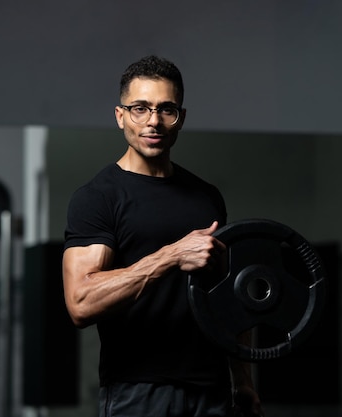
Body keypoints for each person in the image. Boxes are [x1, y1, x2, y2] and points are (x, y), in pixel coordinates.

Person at [62, 55, 263, 417]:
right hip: (138, 391)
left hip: (211, 390)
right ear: (120, 115)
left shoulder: (206, 197)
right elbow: (80, 302)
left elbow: (225, 297)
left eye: (166, 109)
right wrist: (170, 256)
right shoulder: (97, 197)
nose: (153, 121)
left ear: (180, 119)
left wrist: (243, 380)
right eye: (140, 108)